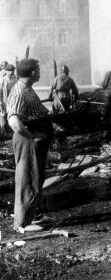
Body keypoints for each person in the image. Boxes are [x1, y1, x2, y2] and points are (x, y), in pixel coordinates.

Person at [7, 58, 54, 232]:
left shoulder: (26, 88)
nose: (40, 72)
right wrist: (32, 137)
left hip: (33, 139)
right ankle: (22, 224)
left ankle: (35, 216)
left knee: (35, 177)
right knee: (27, 178)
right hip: (27, 140)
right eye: (38, 69)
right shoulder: (19, 91)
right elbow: (13, 121)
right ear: (32, 72)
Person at [0, 64, 17, 133]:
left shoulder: (15, 80)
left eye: (12, 70)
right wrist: (0, 102)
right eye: (9, 70)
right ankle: (4, 132)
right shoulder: (2, 80)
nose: (11, 72)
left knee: (12, 116)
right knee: (4, 117)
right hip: (4, 101)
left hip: (12, 102)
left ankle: (11, 132)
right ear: (6, 71)